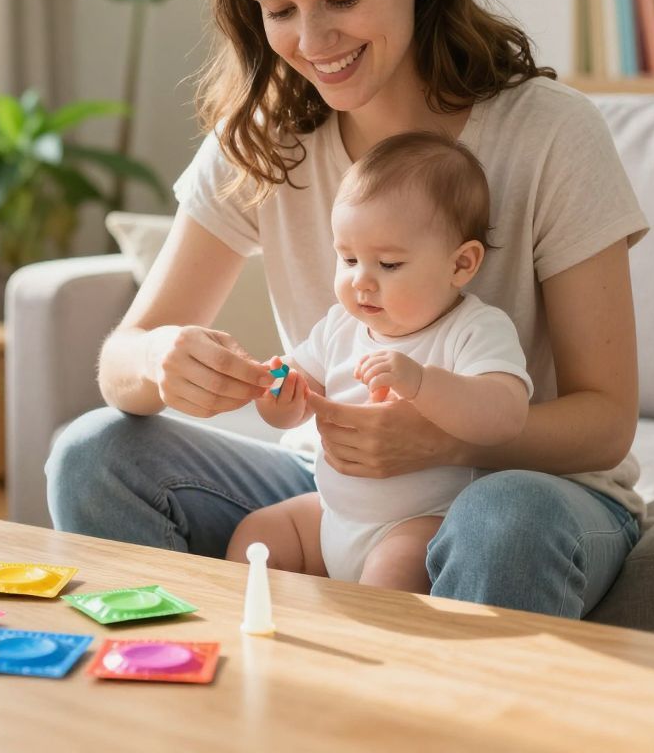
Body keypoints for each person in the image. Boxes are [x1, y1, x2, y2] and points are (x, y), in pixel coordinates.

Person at [45, 0, 649, 618]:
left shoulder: (548, 134)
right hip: (336, 486)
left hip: (527, 489)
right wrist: (161, 360)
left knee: (504, 519)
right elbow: (121, 360)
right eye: (280, 9)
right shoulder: (262, 140)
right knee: (93, 454)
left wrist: (446, 437)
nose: (313, 40)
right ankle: (203, 707)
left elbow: (605, 422)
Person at [225, 132, 532, 591]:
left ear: (461, 265)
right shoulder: (338, 327)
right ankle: (258, 639)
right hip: (334, 514)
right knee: (259, 536)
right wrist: (279, 392)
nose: (361, 282)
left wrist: (423, 383)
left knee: (388, 581)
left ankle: (364, 653)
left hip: (418, 524)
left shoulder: (473, 329)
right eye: (347, 259)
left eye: (388, 265)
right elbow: (293, 408)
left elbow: (505, 415)